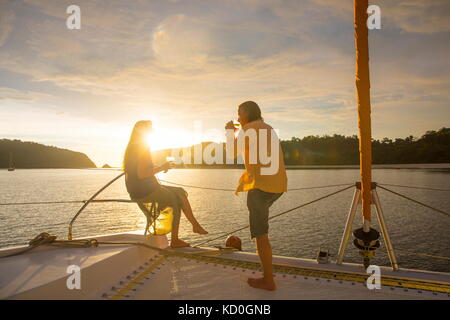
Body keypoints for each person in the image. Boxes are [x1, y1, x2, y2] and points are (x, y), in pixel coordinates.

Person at [225, 101, 287, 291]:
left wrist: (229, 131)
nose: (237, 118)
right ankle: (268, 269)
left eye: (239, 113)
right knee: (261, 228)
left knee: (260, 234)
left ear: (247, 113)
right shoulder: (267, 128)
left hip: (260, 188)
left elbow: (231, 153)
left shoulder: (248, 129)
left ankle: (268, 280)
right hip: (278, 186)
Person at [123, 120, 208, 248]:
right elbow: (141, 174)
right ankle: (176, 240)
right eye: (150, 128)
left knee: (179, 191)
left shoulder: (132, 147)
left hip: (136, 190)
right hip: (145, 191)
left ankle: (195, 225)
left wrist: (159, 167)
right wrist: (163, 167)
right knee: (176, 198)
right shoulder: (142, 147)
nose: (153, 130)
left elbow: (140, 169)